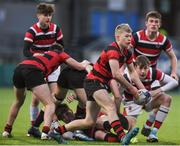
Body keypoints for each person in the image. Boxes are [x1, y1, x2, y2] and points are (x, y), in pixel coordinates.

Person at [54, 24, 152, 145]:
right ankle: (122, 137)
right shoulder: (113, 50)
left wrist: (143, 91)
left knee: (89, 122)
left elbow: (133, 73)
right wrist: (133, 90)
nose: (129, 39)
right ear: (118, 37)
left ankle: (57, 131)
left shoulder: (127, 52)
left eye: (130, 36)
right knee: (110, 106)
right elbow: (116, 74)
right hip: (94, 82)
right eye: (126, 36)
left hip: (98, 83)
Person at [2, 44, 90, 143]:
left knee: (18, 101)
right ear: (61, 50)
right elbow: (79, 67)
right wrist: (85, 63)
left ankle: (7, 130)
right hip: (33, 70)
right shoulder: (60, 53)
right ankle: (45, 133)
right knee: (50, 104)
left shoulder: (41, 54)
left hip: (19, 68)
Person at [23, 3, 64, 126]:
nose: (48, 18)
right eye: (45, 15)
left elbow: (62, 46)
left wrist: (55, 56)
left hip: (52, 67)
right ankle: (33, 126)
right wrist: (36, 56)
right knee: (36, 99)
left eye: (50, 15)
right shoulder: (32, 31)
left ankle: (53, 126)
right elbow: (25, 51)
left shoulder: (56, 29)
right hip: (38, 67)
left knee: (53, 98)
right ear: (38, 16)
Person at [122, 55, 178, 142]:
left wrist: (159, 90)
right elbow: (117, 93)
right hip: (131, 103)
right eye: (140, 68)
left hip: (148, 101)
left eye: (145, 68)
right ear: (135, 66)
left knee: (167, 98)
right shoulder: (127, 75)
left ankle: (153, 133)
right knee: (129, 133)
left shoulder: (152, 72)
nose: (143, 71)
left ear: (149, 67)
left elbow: (174, 82)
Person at [131, 10, 178, 80]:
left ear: (159, 25)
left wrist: (174, 72)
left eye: (156, 22)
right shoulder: (137, 36)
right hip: (135, 70)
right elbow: (126, 53)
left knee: (173, 82)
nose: (154, 24)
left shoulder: (163, 40)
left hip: (151, 72)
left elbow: (173, 57)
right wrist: (123, 70)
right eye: (151, 21)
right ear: (146, 23)